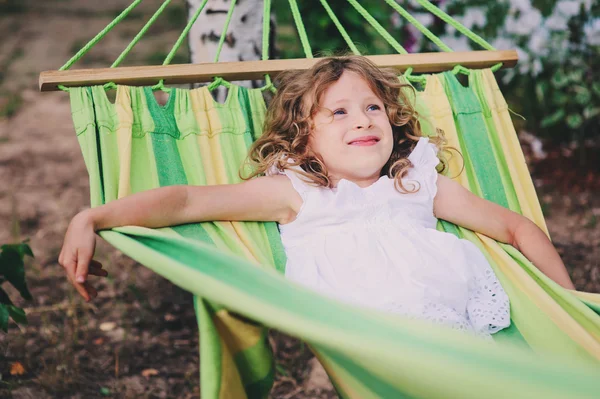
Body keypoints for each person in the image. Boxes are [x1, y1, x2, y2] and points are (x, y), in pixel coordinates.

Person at [59, 56, 575, 339]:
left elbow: (517, 229)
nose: (363, 121)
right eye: (339, 113)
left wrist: (569, 312)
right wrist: (94, 216)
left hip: (454, 330)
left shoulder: (415, 182)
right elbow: (188, 201)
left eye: (373, 107)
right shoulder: (297, 192)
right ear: (303, 138)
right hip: (369, 337)